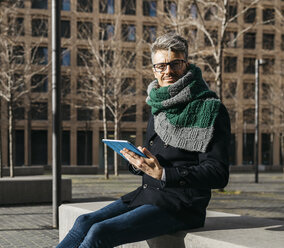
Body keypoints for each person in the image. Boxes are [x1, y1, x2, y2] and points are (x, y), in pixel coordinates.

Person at [56, 33, 231, 248]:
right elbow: (157, 156)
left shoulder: (211, 108)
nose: (168, 71)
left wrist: (164, 174)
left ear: (186, 64)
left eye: (175, 63)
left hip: (182, 205)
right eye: (161, 66)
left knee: (100, 232)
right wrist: (138, 163)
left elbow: (218, 173)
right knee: (84, 222)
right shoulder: (159, 104)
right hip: (148, 194)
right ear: (154, 69)